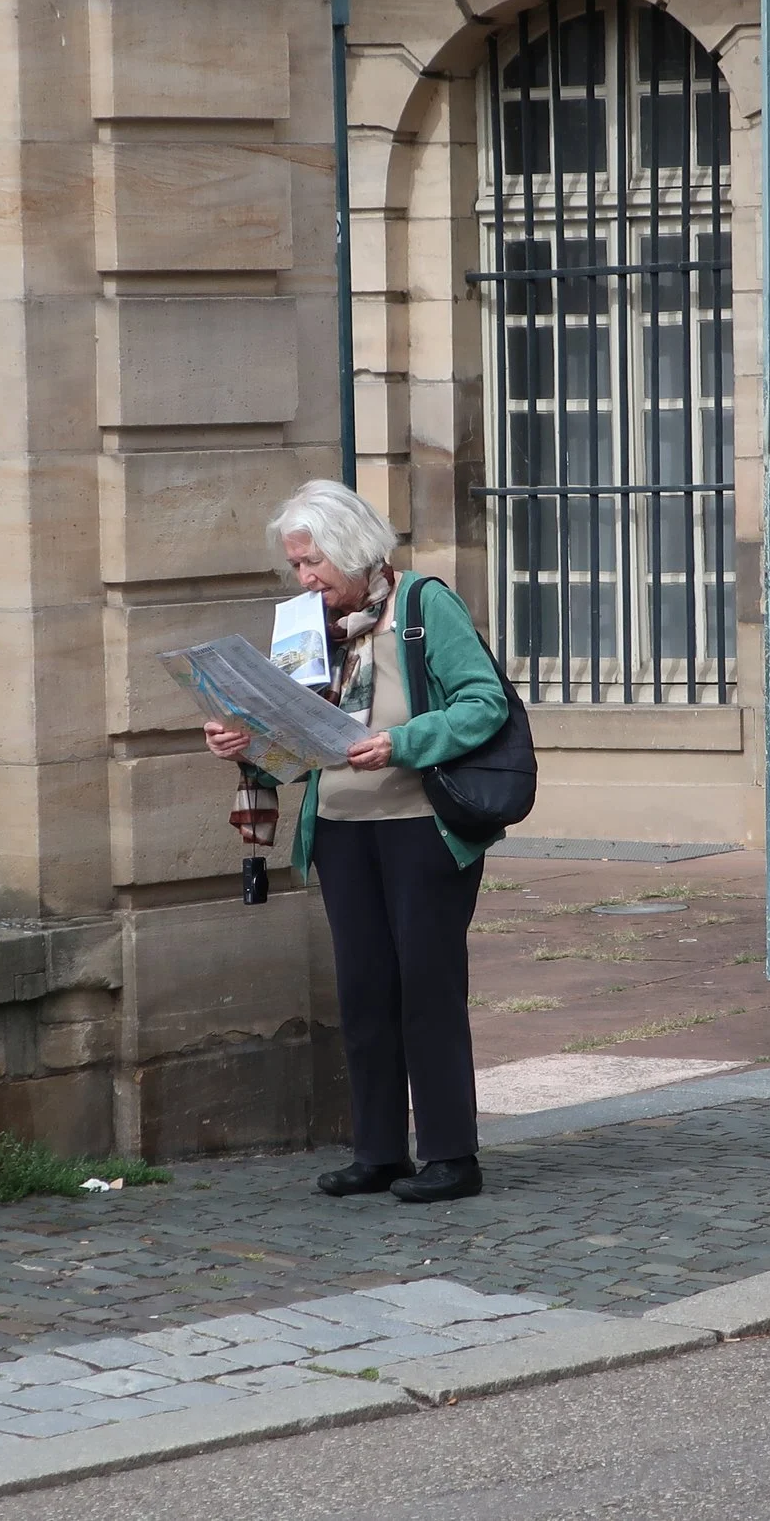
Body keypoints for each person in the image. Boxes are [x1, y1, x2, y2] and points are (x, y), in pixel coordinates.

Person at [204, 480, 509, 1203]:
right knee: (365, 993)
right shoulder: (306, 627)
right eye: (297, 566)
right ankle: (378, 1150)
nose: (304, 578)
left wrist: (403, 741)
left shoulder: (423, 604)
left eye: (312, 563)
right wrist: (244, 745)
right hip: (340, 832)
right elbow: (293, 742)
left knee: (427, 990)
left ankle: (450, 1154)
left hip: (421, 831)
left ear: (349, 549)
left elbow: (484, 702)